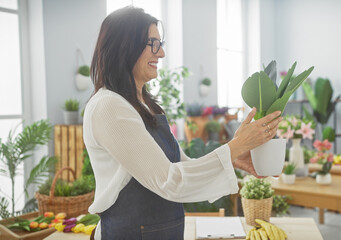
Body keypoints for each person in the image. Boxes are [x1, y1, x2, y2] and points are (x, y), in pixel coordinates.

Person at [83, 6, 282, 240]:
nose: (161, 54)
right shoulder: (109, 107)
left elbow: (183, 165)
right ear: (124, 45)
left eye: (161, 43)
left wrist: (234, 156)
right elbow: (170, 180)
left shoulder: (147, 106)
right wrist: (235, 145)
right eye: (153, 44)